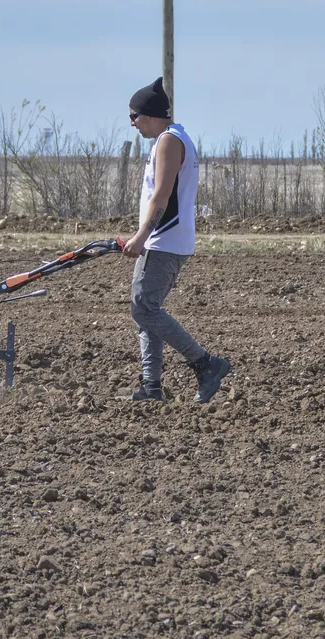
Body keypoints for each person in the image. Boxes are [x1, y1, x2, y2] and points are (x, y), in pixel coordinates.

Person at [121, 76, 231, 403]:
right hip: (166, 241)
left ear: (151, 114)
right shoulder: (171, 139)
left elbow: (162, 196)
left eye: (134, 117)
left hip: (163, 242)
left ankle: (205, 363)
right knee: (147, 310)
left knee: (144, 308)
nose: (132, 124)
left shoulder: (169, 141)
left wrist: (141, 236)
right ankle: (151, 388)